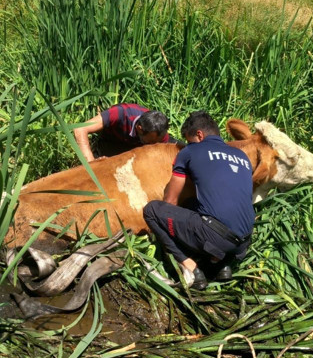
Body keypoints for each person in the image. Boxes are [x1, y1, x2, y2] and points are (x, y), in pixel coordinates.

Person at [143, 111, 255, 289]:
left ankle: (191, 267)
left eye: (188, 139)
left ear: (199, 135)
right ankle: (221, 265)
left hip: (216, 237)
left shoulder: (190, 151)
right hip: (243, 242)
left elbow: (170, 201)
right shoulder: (242, 157)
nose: (187, 144)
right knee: (191, 205)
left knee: (153, 210)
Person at [74, 103, 171, 162]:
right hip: (113, 142)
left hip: (136, 147)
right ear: (139, 128)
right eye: (150, 142)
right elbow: (80, 129)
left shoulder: (159, 132)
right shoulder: (121, 113)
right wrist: (90, 164)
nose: (153, 145)